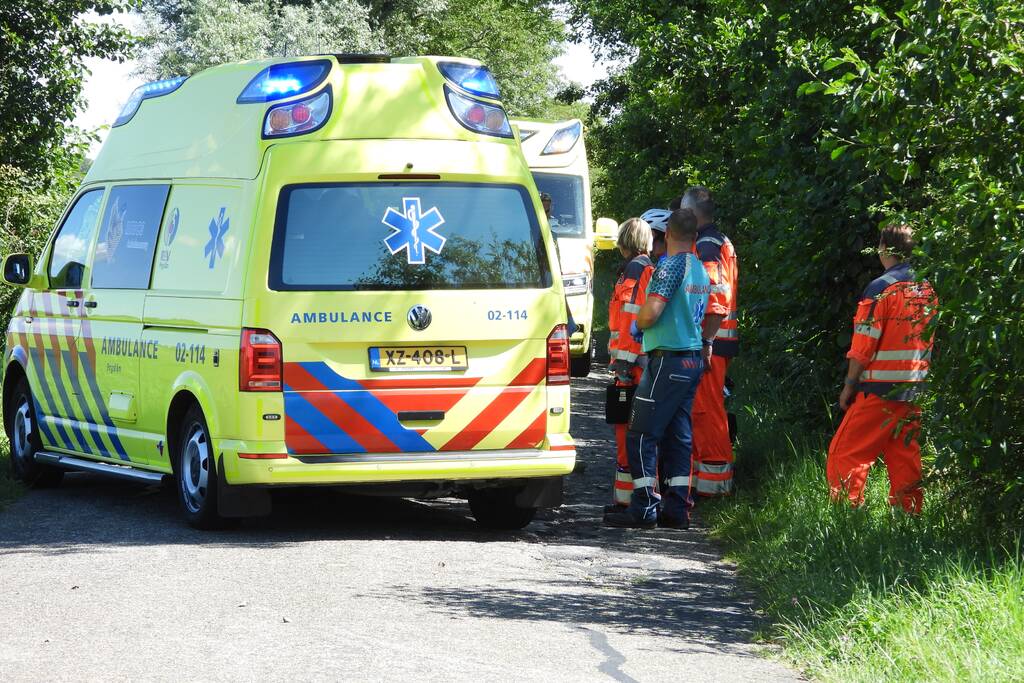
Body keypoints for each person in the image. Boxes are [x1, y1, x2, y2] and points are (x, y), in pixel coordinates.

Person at [604, 208, 719, 530]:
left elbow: (650, 313)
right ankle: (677, 509)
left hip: (667, 359)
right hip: (692, 358)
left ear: (667, 234)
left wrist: (639, 324)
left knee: (641, 434)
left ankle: (644, 508)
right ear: (694, 237)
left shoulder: (669, 267)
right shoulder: (699, 268)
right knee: (679, 436)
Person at [827, 224, 937, 513]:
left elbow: (863, 346)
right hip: (913, 389)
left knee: (846, 452)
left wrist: (849, 385)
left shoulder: (880, 289)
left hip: (878, 391)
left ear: (884, 248)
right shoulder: (926, 288)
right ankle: (909, 517)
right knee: (904, 456)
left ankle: (846, 516)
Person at [681, 186, 739, 497]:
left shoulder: (707, 245)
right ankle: (702, 481)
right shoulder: (716, 240)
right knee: (703, 410)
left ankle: (715, 486)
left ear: (692, 213)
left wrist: (707, 341)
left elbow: (716, 296)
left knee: (706, 411)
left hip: (710, 341)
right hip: (716, 339)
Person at [606, 218, 655, 511]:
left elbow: (629, 317)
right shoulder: (645, 267)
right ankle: (632, 497)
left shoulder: (635, 270)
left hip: (631, 364)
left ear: (625, 240)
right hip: (637, 360)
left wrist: (624, 364)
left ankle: (628, 501)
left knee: (627, 429)